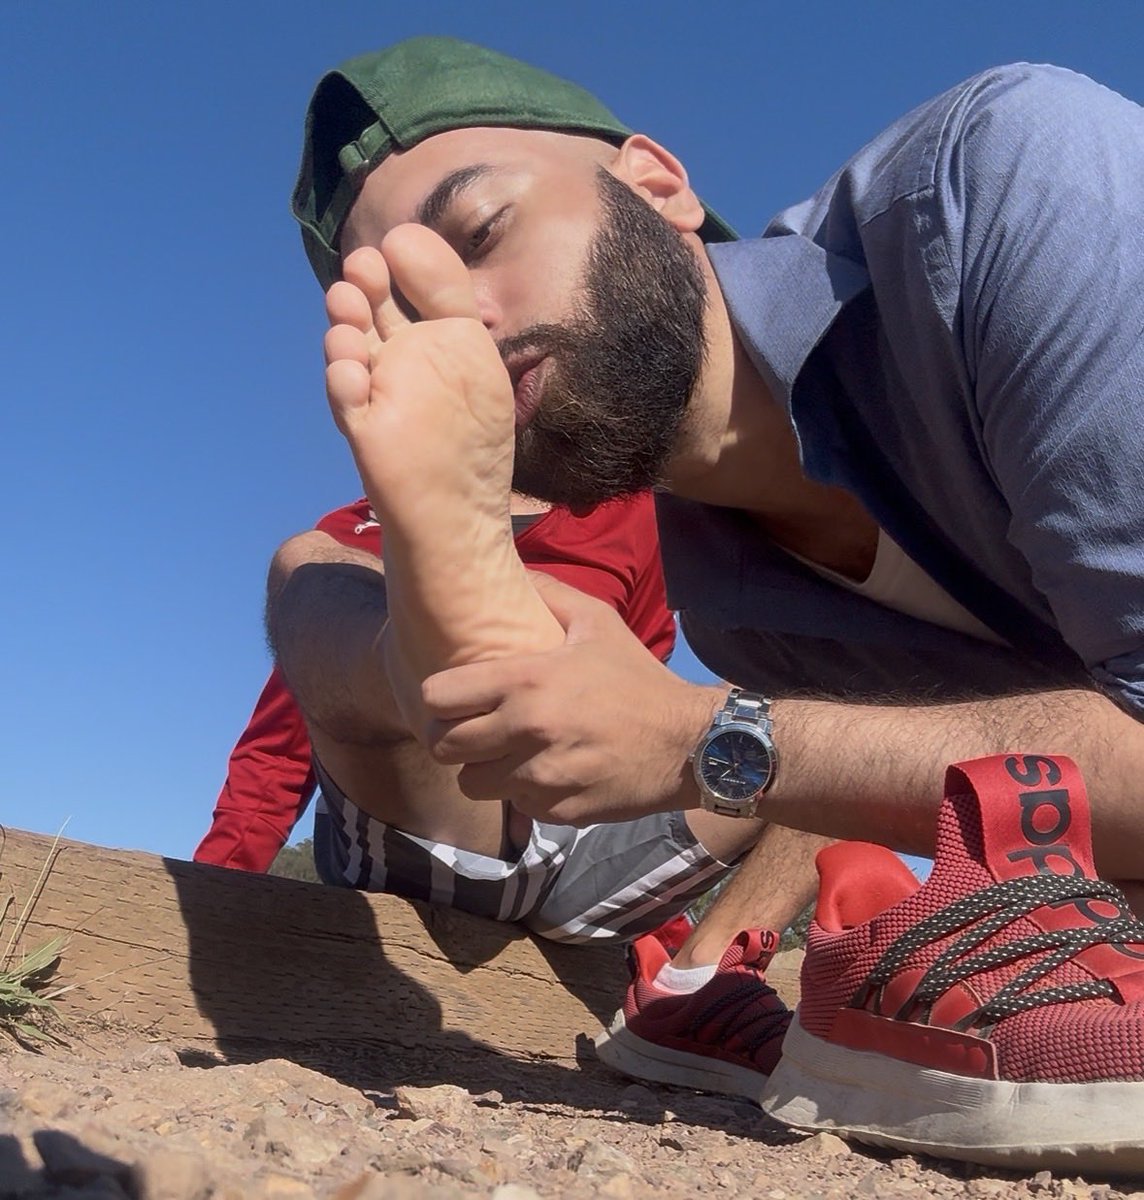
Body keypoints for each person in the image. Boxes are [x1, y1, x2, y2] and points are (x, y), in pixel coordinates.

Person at [282, 38, 1144, 1167]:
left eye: (482, 234)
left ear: (656, 182)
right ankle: (425, 663)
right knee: (309, 575)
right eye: (406, 318)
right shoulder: (733, 606)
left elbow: (743, 747)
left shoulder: (1012, 185)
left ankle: (699, 969)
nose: (468, 327)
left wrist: (705, 736)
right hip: (521, 813)